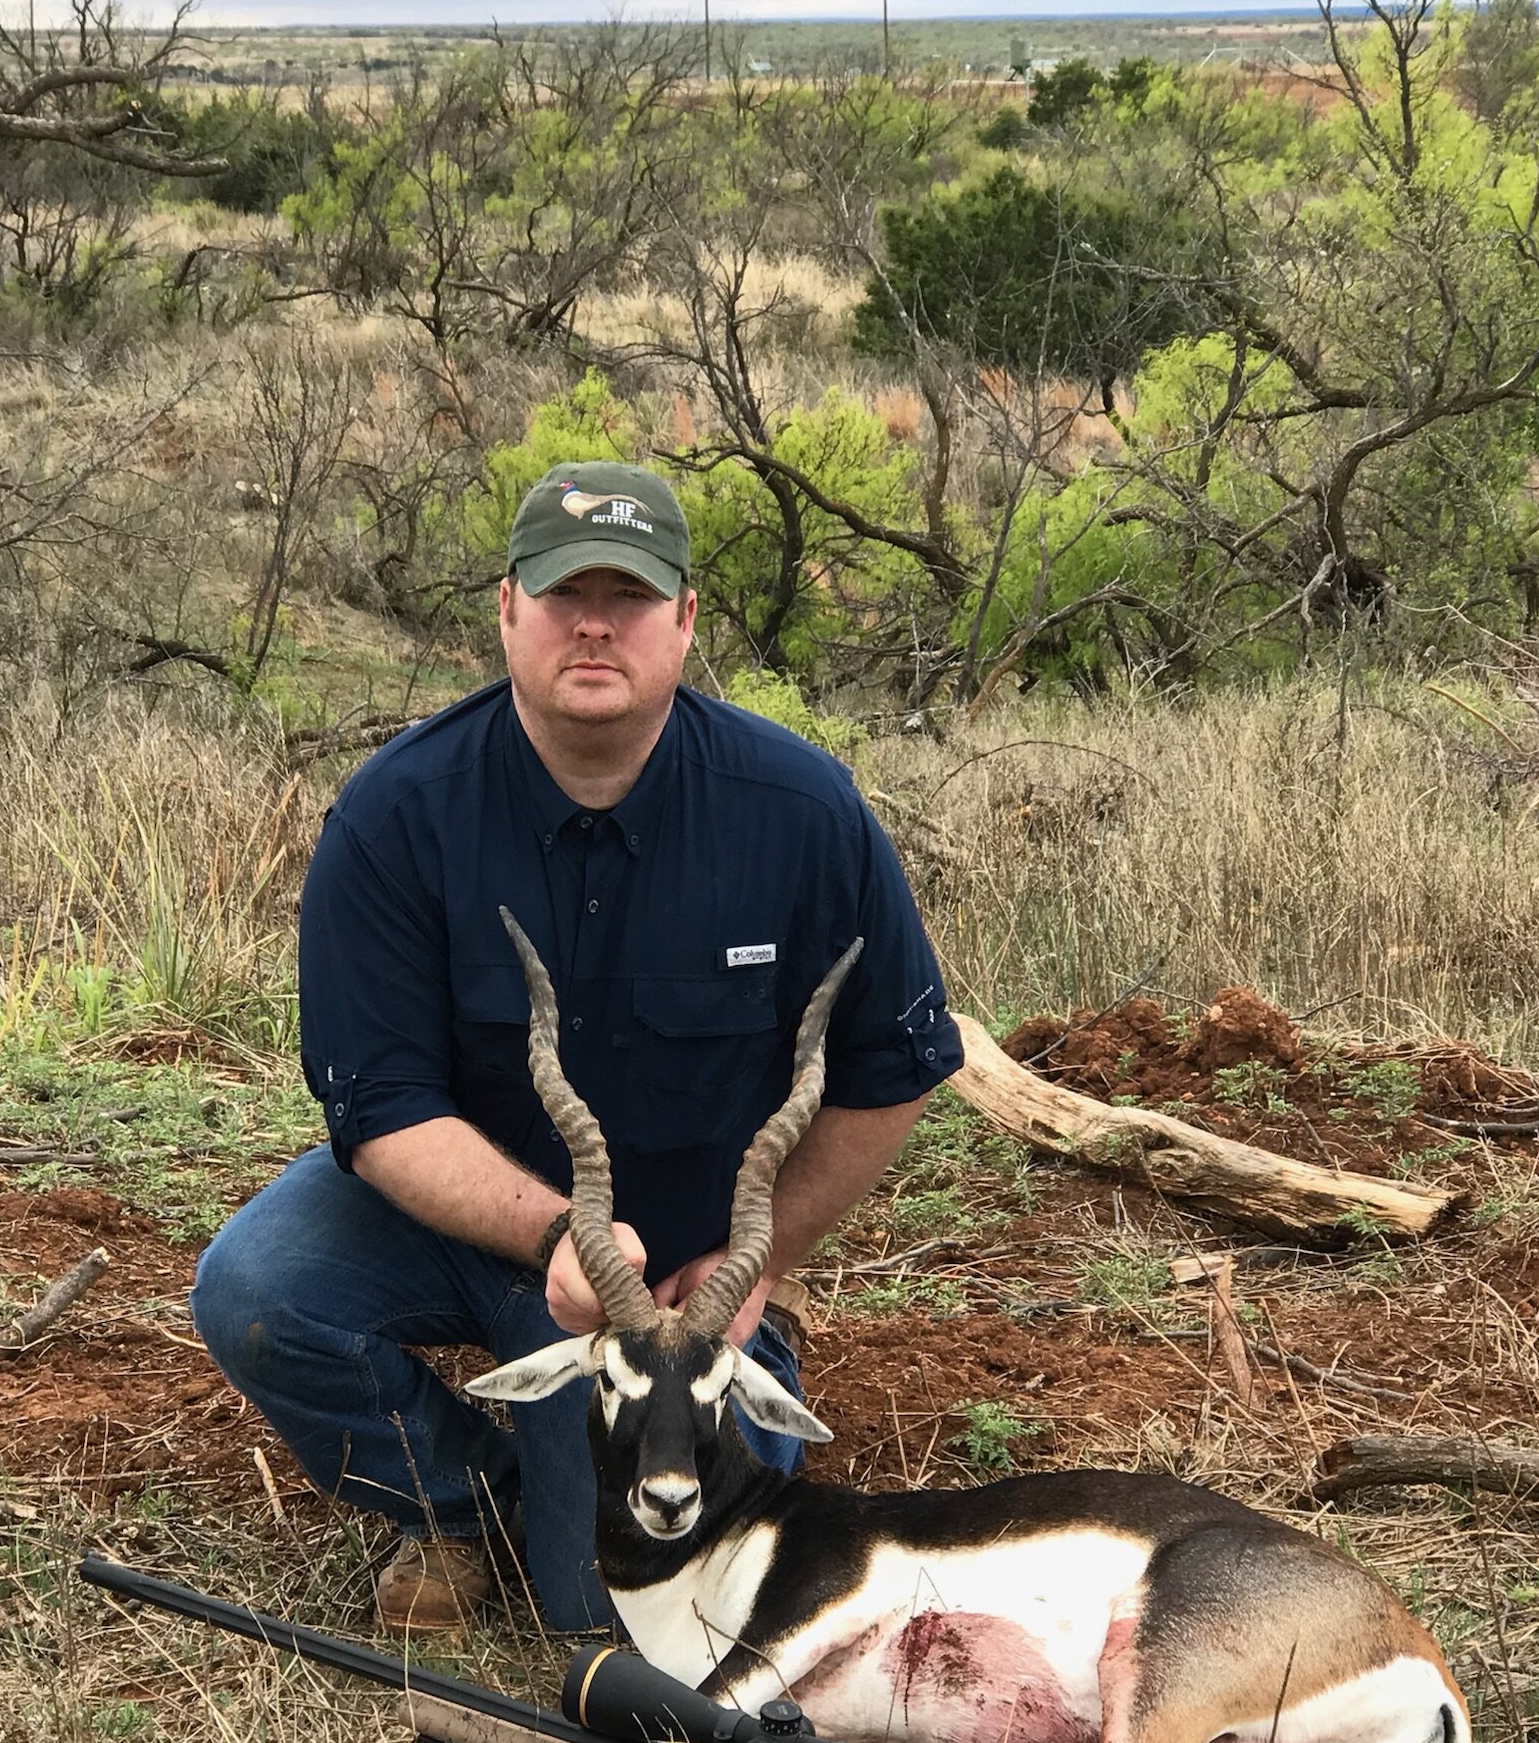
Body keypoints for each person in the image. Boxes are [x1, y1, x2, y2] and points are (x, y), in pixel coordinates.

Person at [191, 460, 964, 1633]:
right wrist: (559, 1236)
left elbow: (894, 1065)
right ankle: (461, 1501)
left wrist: (751, 1262)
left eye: (632, 596)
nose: (594, 624)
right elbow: (380, 1107)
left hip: (685, 1292)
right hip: (476, 1226)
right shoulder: (395, 817)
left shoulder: (802, 813)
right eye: (561, 595)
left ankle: (684, 1416)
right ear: (507, 608)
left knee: (614, 1616)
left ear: (686, 620)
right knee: (256, 1288)